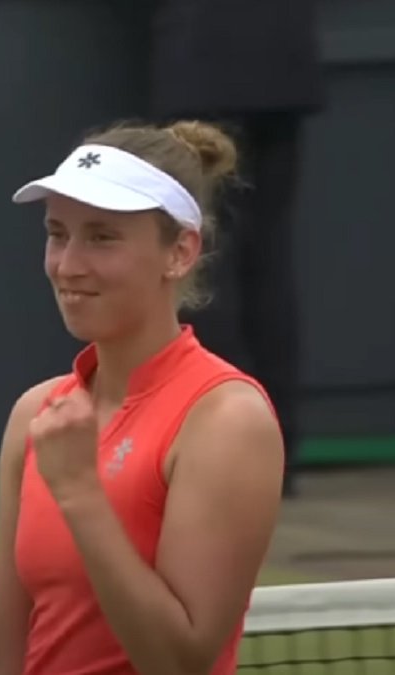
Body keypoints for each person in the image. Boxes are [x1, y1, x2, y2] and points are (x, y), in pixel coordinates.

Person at [0, 121, 284, 674]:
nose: (68, 265)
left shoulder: (226, 419)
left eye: (102, 237)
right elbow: (2, 649)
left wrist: (80, 493)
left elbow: (180, 664)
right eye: (58, 234)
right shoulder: (36, 414)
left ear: (179, 252)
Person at [148, 0, 323, 498]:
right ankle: (275, 451)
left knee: (203, 261)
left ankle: (229, 449)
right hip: (283, 61)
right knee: (268, 262)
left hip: (199, 60)